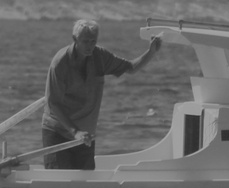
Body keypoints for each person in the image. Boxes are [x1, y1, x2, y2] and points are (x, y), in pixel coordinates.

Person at [41, 19, 162, 170]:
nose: (90, 46)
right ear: (75, 39)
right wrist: (75, 132)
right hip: (58, 131)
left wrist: (151, 52)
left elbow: (130, 68)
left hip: (85, 136)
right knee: (59, 182)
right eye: (85, 41)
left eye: (93, 41)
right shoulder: (60, 63)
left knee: (86, 185)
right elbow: (53, 103)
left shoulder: (99, 56)